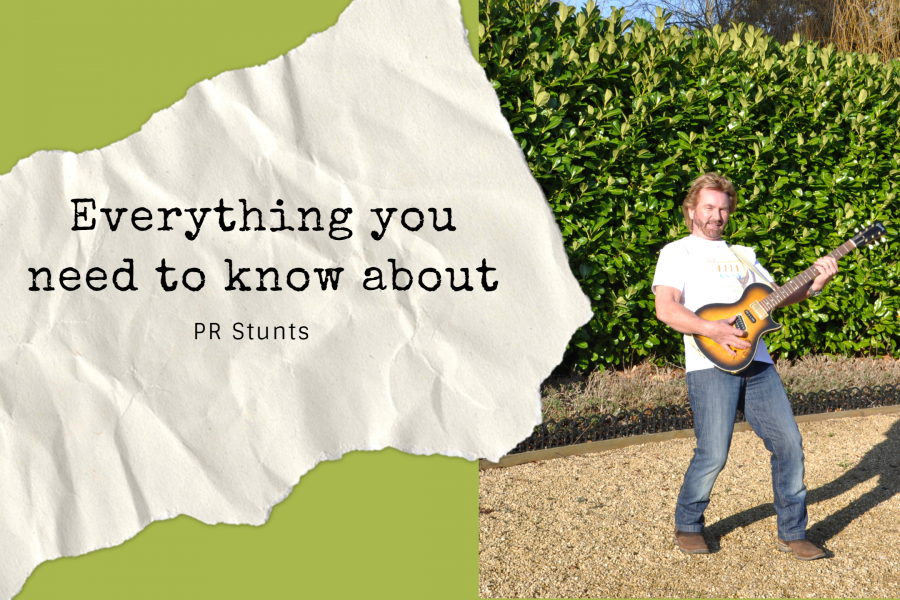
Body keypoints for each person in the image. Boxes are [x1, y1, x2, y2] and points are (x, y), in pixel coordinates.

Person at [651, 172, 838, 560]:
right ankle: (688, 524)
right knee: (713, 453)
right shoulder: (676, 252)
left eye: (723, 208)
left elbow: (775, 299)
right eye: (709, 207)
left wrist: (815, 283)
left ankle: (793, 531)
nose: (717, 215)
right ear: (691, 210)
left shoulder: (744, 254)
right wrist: (711, 330)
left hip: (758, 362)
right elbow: (666, 308)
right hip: (709, 361)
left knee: (789, 444)